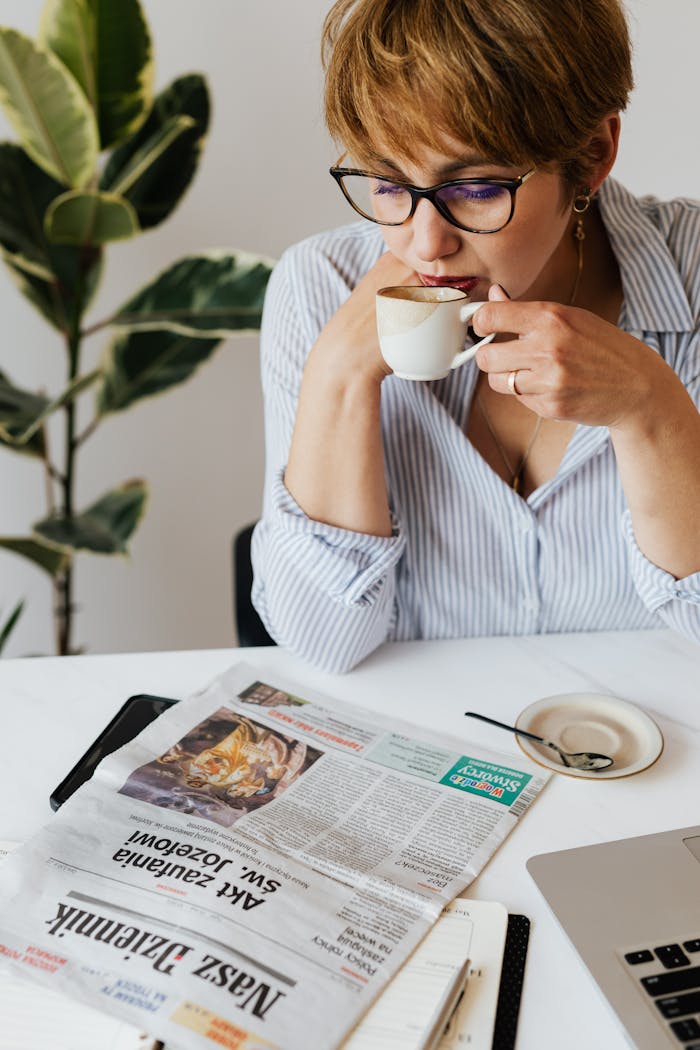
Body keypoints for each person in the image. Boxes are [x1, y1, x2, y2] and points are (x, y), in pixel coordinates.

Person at [251, 0, 700, 673]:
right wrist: (339, 376)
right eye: (387, 182)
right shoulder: (321, 284)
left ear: (592, 154)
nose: (425, 241)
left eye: (478, 188)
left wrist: (653, 411)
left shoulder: (690, 273)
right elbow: (323, 645)